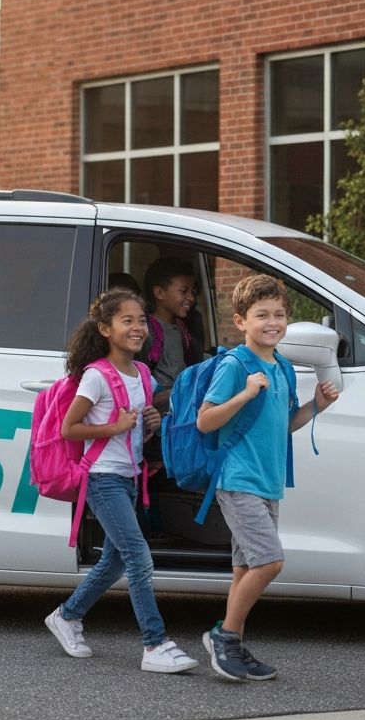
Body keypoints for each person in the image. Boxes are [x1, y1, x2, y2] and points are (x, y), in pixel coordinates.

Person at [44, 287, 199, 674]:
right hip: (101, 479)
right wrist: (116, 425)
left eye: (142, 320)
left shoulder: (143, 374)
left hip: (130, 477)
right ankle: (155, 643)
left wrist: (149, 426)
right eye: (126, 321)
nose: (137, 328)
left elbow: (135, 431)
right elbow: (69, 429)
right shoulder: (97, 376)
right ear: (105, 329)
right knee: (138, 557)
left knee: (114, 560)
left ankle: (67, 615)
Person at [197, 274, 339, 681]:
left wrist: (317, 405)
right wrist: (243, 393)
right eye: (262, 315)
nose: (272, 322)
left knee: (245, 569)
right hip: (237, 480)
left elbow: (282, 426)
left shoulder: (283, 369)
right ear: (242, 322)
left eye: (279, 314)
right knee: (270, 561)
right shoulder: (234, 365)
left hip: (268, 482)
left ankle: (232, 644)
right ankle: (222, 636)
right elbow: (205, 421)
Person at [141, 257, 200, 413]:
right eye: (183, 291)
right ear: (160, 293)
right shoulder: (145, 331)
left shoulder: (182, 329)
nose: (191, 298)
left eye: (192, 292)